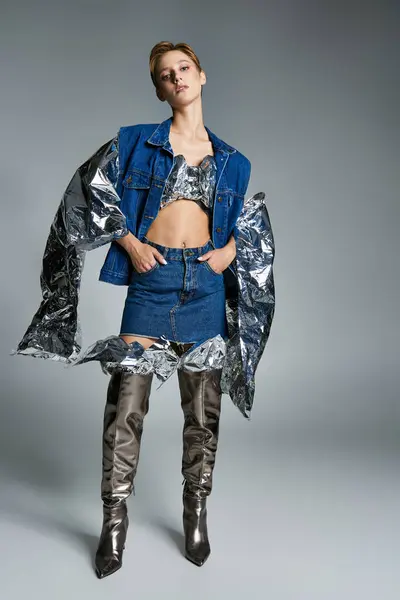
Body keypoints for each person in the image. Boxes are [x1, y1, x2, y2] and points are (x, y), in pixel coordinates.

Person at [12, 41, 276, 579]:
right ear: (158, 88)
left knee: (203, 415)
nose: (175, 77)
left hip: (204, 286)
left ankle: (196, 509)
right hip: (151, 287)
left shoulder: (235, 162)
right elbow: (86, 194)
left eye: (183, 68)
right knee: (124, 407)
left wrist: (228, 253)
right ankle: (113, 520)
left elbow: (242, 228)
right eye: (164, 74)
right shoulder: (134, 142)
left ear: (202, 77)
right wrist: (128, 242)